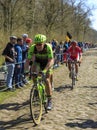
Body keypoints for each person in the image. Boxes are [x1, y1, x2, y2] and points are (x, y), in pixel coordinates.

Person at [27, 34, 54, 110]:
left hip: (47, 63)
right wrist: (26, 71)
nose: (38, 46)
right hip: (38, 62)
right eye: (37, 44)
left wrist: (45, 70)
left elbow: (50, 60)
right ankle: (36, 87)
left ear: (44, 43)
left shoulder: (48, 47)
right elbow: (28, 60)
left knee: (46, 80)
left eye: (40, 44)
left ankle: (49, 100)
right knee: (33, 73)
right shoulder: (32, 48)